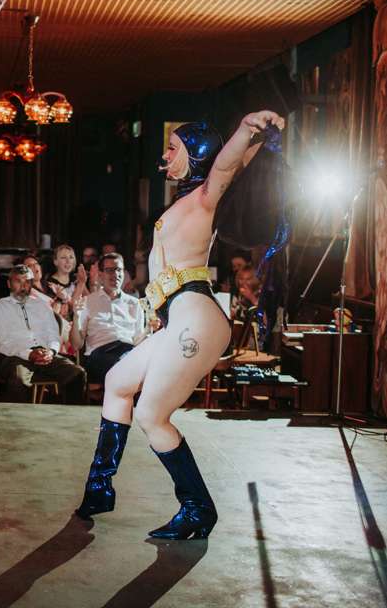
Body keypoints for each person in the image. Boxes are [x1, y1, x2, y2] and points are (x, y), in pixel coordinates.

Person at [75, 111, 285, 541]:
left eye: (173, 148)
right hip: (180, 318)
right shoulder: (186, 201)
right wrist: (254, 139)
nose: (165, 156)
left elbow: (226, 166)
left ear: (197, 154)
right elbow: (232, 163)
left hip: (196, 318)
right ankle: (100, 488)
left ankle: (197, 509)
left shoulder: (206, 197)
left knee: (152, 415)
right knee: (117, 382)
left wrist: (247, 128)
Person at [0, 264, 86, 403]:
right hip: (16, 356)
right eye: (18, 281)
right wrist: (29, 354)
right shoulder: (0, 307)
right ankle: (19, 417)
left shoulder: (41, 305)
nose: (23, 286)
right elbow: (3, 342)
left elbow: (53, 334)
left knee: (77, 374)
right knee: (19, 380)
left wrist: (51, 351)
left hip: (45, 354)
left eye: (27, 282)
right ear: (9, 284)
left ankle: (70, 415)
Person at [71, 252, 146, 384]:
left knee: (142, 360)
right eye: (110, 270)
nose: (115, 274)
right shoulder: (88, 301)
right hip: (100, 354)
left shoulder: (135, 303)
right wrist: (76, 317)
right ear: (100, 274)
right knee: (125, 365)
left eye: (119, 270)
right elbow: (77, 344)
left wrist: (150, 328)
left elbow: (138, 340)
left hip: (127, 351)